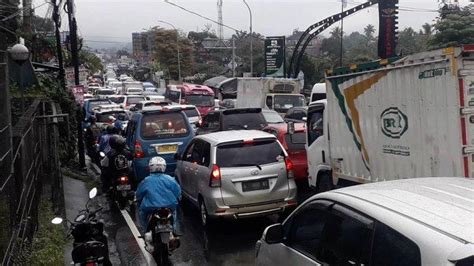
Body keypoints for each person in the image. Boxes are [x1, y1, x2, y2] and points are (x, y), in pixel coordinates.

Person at [136, 157, 181, 234]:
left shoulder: (146, 180)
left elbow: (139, 194)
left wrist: (138, 200)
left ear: (150, 167)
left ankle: (145, 231)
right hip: (170, 206)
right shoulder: (170, 179)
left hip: (150, 206)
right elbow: (178, 192)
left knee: (142, 213)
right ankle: (174, 230)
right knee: (174, 213)